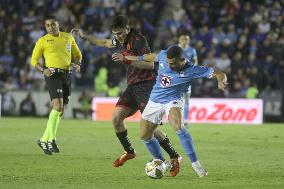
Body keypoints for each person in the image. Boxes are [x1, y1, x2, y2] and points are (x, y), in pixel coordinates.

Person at [71, 15, 181, 176]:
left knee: (150, 129)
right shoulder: (119, 39)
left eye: (121, 33)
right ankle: (129, 151)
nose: (118, 37)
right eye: (115, 34)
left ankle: (174, 156)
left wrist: (127, 60)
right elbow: (104, 42)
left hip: (146, 85)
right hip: (132, 86)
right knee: (116, 118)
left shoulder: (138, 40)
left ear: (128, 29)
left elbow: (150, 65)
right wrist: (84, 36)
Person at [124, 45, 227, 177]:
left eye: (172, 63)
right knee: (145, 136)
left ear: (181, 59)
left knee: (178, 126)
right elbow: (150, 57)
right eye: (168, 62)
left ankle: (196, 164)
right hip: (155, 100)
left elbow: (220, 74)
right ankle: (161, 161)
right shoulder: (163, 55)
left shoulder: (192, 69)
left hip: (173, 100)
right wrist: (130, 57)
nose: (170, 65)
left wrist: (221, 80)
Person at [31, 15, 82, 155]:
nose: (50, 27)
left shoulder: (68, 37)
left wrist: (77, 64)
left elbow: (78, 54)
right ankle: (51, 140)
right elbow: (34, 61)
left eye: (52, 24)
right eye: (47, 25)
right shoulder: (42, 41)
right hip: (52, 75)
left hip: (66, 75)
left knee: (61, 111)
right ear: (45, 27)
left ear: (57, 24)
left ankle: (43, 140)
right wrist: (43, 70)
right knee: (57, 106)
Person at [177, 33, 198, 127]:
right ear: (179, 40)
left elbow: (196, 62)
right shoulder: (175, 49)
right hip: (176, 78)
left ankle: (185, 121)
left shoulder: (192, 50)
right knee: (176, 99)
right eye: (183, 40)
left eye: (186, 40)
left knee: (186, 99)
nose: (185, 41)